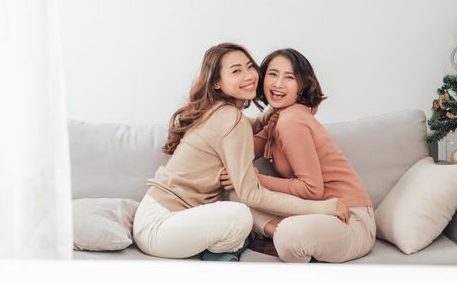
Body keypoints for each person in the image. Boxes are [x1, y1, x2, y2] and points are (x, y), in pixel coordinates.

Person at [132, 43, 349, 261]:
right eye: (236, 71)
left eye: (249, 67)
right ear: (217, 82)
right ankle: (237, 245)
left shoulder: (222, 113)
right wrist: (323, 209)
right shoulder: (230, 119)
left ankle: (234, 243)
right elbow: (251, 194)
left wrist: (276, 107)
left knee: (235, 202)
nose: (249, 76)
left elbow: (246, 127)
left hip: (159, 219)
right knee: (239, 214)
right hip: (161, 225)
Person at [221, 48, 376, 263]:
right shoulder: (278, 118)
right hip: (314, 215)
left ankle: (276, 236)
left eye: (289, 78)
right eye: (273, 74)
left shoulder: (291, 121)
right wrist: (227, 106)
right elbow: (240, 152)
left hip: (349, 219)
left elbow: (312, 190)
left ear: (301, 85)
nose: (278, 84)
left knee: (289, 235)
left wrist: (254, 179)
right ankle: (279, 235)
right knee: (236, 198)